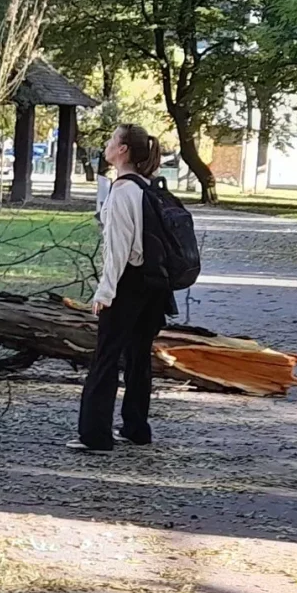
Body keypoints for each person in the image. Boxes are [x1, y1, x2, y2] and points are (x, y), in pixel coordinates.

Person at [72, 123, 176, 451]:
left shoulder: (122, 191)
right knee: (137, 357)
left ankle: (95, 435)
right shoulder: (148, 186)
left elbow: (118, 249)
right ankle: (136, 426)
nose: (107, 144)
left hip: (127, 283)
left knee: (105, 358)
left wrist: (105, 292)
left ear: (123, 151)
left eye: (112, 140)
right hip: (155, 285)